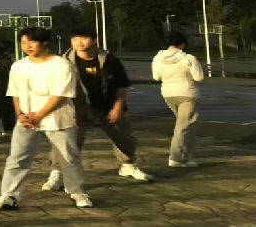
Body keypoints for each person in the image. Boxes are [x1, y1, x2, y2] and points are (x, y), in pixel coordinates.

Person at [0, 27, 92, 210]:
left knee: (69, 158)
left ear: (44, 42)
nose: (27, 46)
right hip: (27, 121)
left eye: (32, 42)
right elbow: (15, 93)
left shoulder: (61, 64)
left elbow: (61, 94)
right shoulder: (19, 66)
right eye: (23, 42)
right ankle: (9, 195)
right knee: (17, 158)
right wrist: (20, 115)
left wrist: (39, 115)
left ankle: (76, 192)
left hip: (58, 118)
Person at [41, 28, 153, 191]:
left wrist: (118, 106)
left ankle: (127, 165)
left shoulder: (109, 60)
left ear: (94, 40)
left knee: (124, 137)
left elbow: (121, 84)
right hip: (75, 109)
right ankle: (57, 173)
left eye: (83, 38)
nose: (79, 42)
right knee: (66, 142)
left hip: (107, 106)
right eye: (75, 39)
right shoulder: (63, 62)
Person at [152, 31, 204, 168]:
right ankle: (176, 158)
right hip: (188, 93)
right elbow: (199, 77)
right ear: (182, 44)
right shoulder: (189, 58)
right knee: (184, 126)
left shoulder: (158, 58)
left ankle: (185, 157)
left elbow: (156, 77)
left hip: (168, 93)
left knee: (185, 125)